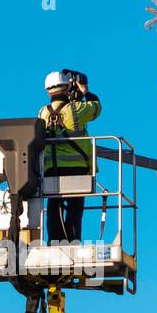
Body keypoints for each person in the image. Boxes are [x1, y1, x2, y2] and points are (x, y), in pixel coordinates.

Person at [38, 69, 101, 243]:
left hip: (52, 169)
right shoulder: (76, 110)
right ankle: (73, 240)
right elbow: (96, 108)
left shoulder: (43, 112)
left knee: (54, 206)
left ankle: (54, 240)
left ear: (48, 91)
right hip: (76, 169)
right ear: (67, 88)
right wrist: (85, 92)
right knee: (74, 207)